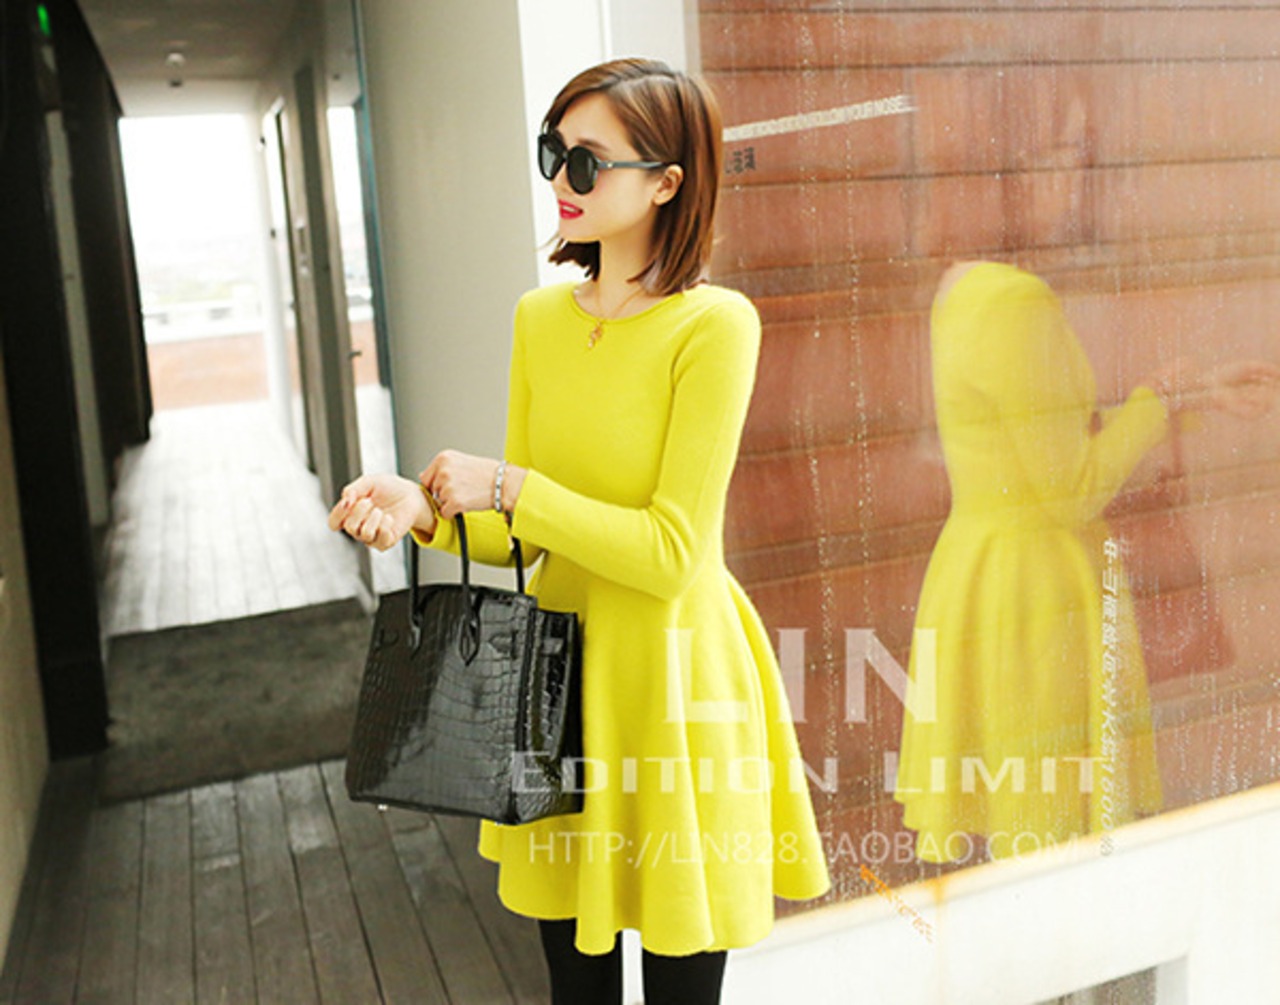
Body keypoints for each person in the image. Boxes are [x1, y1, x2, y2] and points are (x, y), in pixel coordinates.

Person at [329, 58, 830, 1003]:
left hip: (671, 681)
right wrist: (423, 511)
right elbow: (529, 541)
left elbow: (671, 552)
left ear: (667, 182)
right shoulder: (540, 319)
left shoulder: (715, 326)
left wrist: (510, 484)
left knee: (683, 981)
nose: (562, 179)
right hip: (553, 691)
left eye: (588, 162)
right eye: (553, 153)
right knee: (576, 986)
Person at [894, 260, 1280, 863]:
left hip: (995, 573)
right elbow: (1073, 487)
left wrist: (1188, 395)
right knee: (1047, 835)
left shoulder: (969, 286)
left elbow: (1040, 443)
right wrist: (1158, 400)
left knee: (1032, 829)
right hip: (1033, 593)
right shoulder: (1013, 299)